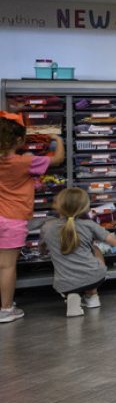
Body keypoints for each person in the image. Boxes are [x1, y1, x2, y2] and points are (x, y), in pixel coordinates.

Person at [0, 112, 64, 325]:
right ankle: (6, 309)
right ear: (19, 140)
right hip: (12, 219)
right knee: (7, 266)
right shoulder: (24, 161)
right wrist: (57, 140)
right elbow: (57, 159)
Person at [39, 186, 116, 317]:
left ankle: (72, 295)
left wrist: (45, 253)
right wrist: (115, 253)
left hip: (64, 283)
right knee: (95, 248)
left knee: (63, 262)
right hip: (94, 277)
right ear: (85, 208)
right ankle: (92, 296)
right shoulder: (89, 225)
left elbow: (42, 250)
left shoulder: (47, 227)